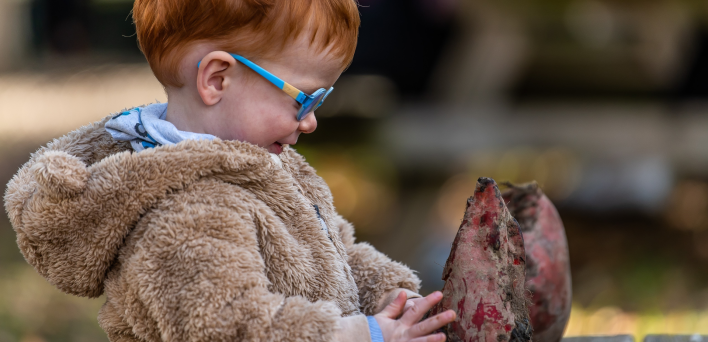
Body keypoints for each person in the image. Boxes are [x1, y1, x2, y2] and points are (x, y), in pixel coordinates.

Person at [4, 0, 456, 341]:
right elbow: (229, 326)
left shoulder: (263, 164)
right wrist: (367, 334)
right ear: (217, 79)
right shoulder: (185, 207)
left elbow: (337, 250)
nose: (312, 120)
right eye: (305, 99)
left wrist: (393, 300)